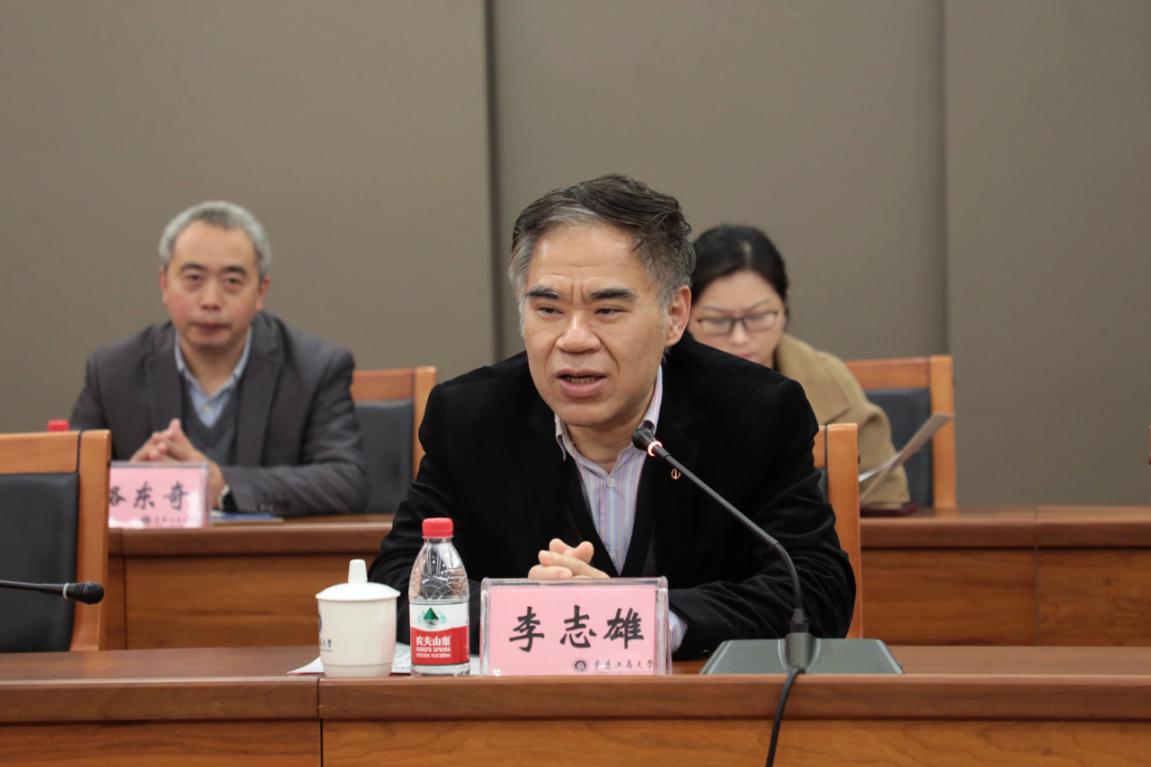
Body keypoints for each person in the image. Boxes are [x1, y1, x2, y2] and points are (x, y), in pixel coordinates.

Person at [370, 175, 854, 659]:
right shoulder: (470, 417)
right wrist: (533, 613)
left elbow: (815, 589)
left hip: (699, 702)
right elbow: (396, 585)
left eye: (606, 310)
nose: (574, 339)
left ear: (674, 315)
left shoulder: (755, 412)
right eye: (548, 309)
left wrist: (645, 621)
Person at [70, 201, 368, 516]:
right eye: (194, 278)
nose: (211, 300)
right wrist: (128, 483)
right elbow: (68, 481)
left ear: (261, 291)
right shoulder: (112, 372)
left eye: (232, 282)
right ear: (164, 284)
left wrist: (222, 486)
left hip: (266, 549)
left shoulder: (315, 369)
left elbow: (345, 481)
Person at [689, 224, 910, 507]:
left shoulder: (830, 382)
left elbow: (885, 502)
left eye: (758, 317)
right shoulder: (655, 385)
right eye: (718, 321)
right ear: (683, 313)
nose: (740, 337)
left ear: (784, 307)